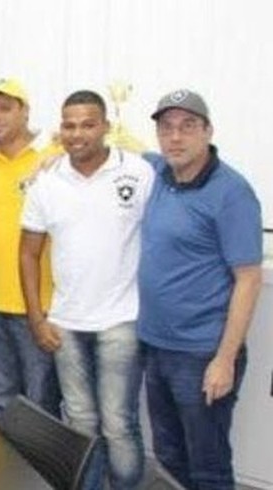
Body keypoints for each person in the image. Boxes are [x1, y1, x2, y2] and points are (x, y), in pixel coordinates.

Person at [20, 90, 152, 489]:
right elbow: (28, 254)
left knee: (118, 423)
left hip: (122, 320)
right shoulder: (45, 181)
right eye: (69, 125)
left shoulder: (139, 172)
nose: (77, 134)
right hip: (65, 323)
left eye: (88, 125)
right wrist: (36, 318)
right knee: (80, 422)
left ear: (106, 127)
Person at [138, 89, 262, 490]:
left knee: (207, 466)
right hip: (156, 347)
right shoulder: (156, 171)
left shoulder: (232, 193)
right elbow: (110, 151)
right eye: (166, 128)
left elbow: (248, 279)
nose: (175, 137)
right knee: (169, 457)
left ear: (208, 131)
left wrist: (224, 360)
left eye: (187, 126)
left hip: (201, 353)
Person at [0, 79, 61, 424]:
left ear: (25, 112)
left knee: (40, 406)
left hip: (38, 306)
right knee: (2, 401)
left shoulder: (53, 157)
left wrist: (61, 147)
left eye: (5, 108)